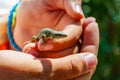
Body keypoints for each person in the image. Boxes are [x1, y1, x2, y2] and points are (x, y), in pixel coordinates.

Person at [0, 0, 99, 80]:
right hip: (40, 35)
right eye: (60, 36)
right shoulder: (51, 35)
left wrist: (14, 39)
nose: (61, 37)